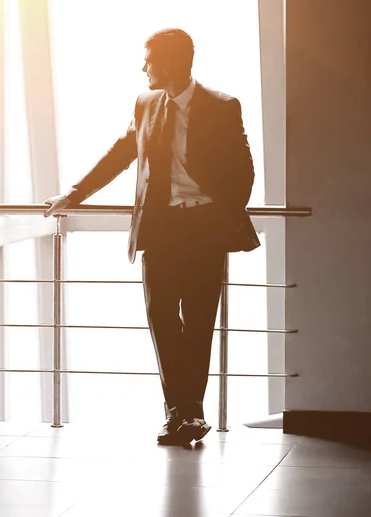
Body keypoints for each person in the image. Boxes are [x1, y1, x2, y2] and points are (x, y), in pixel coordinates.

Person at [44, 28, 260, 445]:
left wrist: (221, 215)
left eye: (149, 60)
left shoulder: (222, 106)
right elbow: (121, 154)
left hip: (205, 228)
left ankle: (187, 416)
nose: (143, 67)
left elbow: (243, 170)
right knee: (161, 318)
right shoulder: (145, 104)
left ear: (173, 63)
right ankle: (180, 412)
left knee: (198, 323)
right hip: (162, 229)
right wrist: (73, 195)